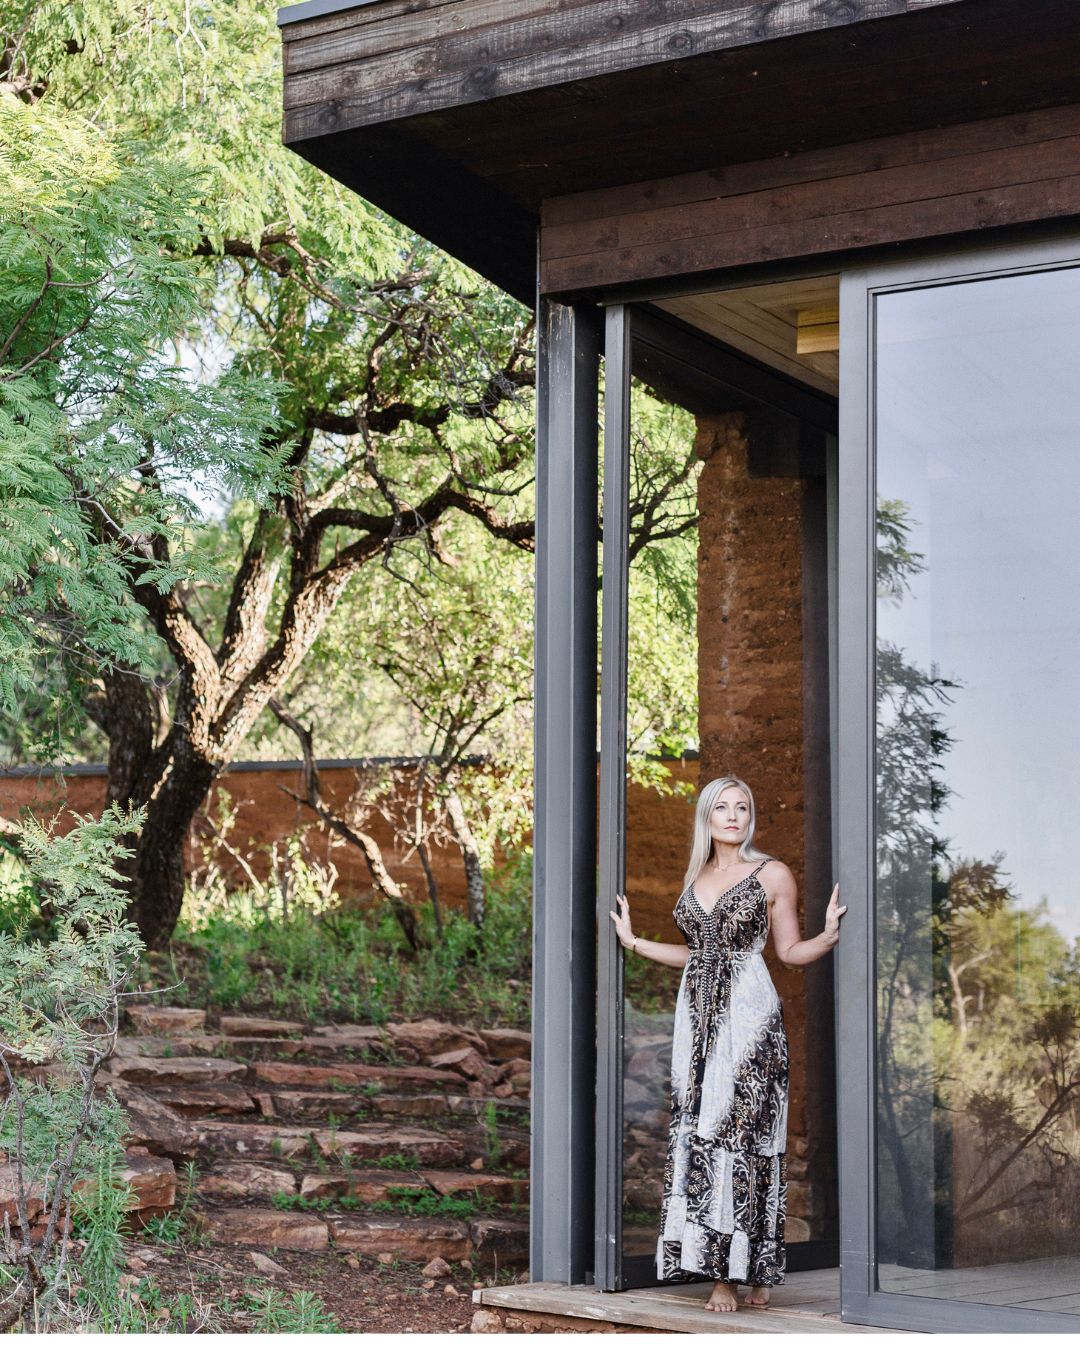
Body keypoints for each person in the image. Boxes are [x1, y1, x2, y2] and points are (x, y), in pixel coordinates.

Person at [609, 775, 846, 1313]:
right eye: (723, 808)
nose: (734, 816)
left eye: (742, 807)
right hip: (697, 1024)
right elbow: (696, 955)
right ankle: (748, 1267)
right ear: (707, 818)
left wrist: (828, 936)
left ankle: (730, 1278)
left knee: (745, 1139)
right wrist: (634, 942)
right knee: (704, 1134)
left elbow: (787, 951)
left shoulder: (771, 873)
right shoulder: (698, 874)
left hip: (750, 1022)